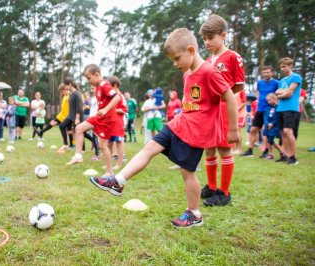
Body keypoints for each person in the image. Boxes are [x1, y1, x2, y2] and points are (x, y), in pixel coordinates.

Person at [90, 28, 239, 228]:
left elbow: (229, 96)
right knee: (149, 147)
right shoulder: (187, 74)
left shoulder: (210, 72)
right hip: (179, 125)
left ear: (191, 50)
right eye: (172, 60)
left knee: (187, 172)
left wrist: (233, 130)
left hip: (196, 132)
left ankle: (194, 214)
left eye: (177, 58)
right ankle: (118, 182)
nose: (175, 64)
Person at [199, 14, 245, 207]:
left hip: (225, 110)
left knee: (225, 149)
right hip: (210, 111)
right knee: (209, 149)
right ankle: (211, 186)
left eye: (211, 38)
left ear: (223, 35)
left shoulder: (233, 57)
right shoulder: (207, 61)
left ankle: (224, 193)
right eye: (204, 39)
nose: (207, 42)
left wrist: (222, 96)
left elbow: (239, 85)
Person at [65, 64, 120, 177]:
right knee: (79, 128)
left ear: (97, 74)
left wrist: (105, 109)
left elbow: (117, 97)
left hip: (108, 120)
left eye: (89, 78)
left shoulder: (104, 85)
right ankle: (78, 156)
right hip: (99, 117)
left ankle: (110, 172)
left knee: (102, 146)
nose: (89, 81)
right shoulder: (98, 86)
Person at [242, 66, 279, 157]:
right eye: (264, 72)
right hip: (259, 109)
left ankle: (266, 151)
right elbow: (258, 92)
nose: (266, 74)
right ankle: (250, 150)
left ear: (272, 73)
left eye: (268, 72)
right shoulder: (259, 83)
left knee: (265, 131)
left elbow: (278, 95)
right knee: (253, 129)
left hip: (269, 110)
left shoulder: (276, 83)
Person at [60, 78, 97, 157]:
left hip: (77, 117)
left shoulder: (77, 94)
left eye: (66, 85)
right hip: (70, 116)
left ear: (70, 84)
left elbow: (79, 108)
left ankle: (90, 143)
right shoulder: (70, 93)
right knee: (62, 126)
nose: (65, 87)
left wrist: (77, 118)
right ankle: (66, 144)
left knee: (82, 133)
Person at [275, 57, 302, 165]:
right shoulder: (281, 80)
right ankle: (286, 155)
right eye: (281, 67)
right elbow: (277, 92)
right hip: (280, 108)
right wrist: (283, 93)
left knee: (288, 131)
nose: (282, 69)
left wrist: (281, 93)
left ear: (290, 66)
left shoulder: (296, 77)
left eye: (284, 66)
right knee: (282, 133)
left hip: (291, 108)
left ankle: (293, 157)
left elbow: (290, 92)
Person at [37, 84, 73, 148]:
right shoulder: (65, 96)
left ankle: (69, 145)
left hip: (67, 116)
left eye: (62, 91)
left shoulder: (70, 96)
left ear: (65, 89)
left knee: (68, 130)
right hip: (62, 115)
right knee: (52, 122)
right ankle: (40, 132)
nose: (61, 93)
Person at [108, 76, 128, 170]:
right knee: (109, 143)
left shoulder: (121, 96)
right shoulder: (111, 96)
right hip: (110, 123)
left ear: (115, 85)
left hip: (118, 124)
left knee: (119, 143)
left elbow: (125, 109)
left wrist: (113, 110)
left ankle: (119, 164)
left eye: (110, 87)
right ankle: (110, 164)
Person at [263, 93, 283, 160]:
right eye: (267, 100)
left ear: (275, 99)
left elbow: (277, 118)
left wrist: (272, 124)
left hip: (274, 127)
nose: (268, 102)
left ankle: (281, 151)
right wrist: (267, 123)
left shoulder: (279, 108)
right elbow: (265, 117)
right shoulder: (267, 109)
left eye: (269, 100)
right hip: (267, 127)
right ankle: (270, 154)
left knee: (270, 140)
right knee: (268, 140)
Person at [232, 90, 247, 154]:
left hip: (240, 114)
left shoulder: (241, 91)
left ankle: (239, 149)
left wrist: (237, 109)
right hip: (233, 114)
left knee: (238, 131)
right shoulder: (231, 90)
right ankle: (235, 148)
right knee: (234, 131)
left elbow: (244, 102)